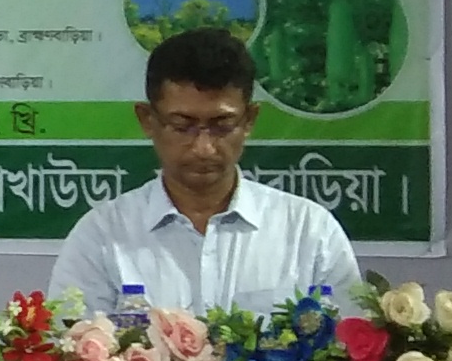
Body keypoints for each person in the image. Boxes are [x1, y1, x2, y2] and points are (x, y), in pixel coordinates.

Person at [52, 27, 358, 315]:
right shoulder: (102, 236)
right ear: (147, 120)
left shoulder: (309, 231)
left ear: (249, 120)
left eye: (221, 126)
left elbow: (351, 342)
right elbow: (70, 347)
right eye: (181, 126)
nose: (203, 148)